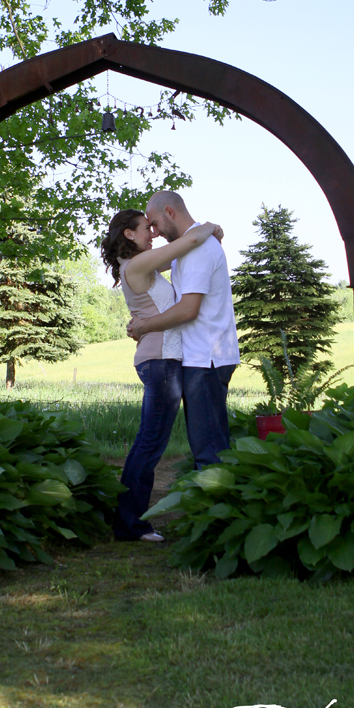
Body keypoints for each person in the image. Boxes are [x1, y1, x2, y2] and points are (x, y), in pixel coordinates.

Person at [101, 208, 223, 542]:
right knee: (149, 444)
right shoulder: (139, 264)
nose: (152, 233)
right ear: (129, 234)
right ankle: (131, 524)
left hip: (162, 360)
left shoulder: (142, 264)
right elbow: (191, 239)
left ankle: (129, 522)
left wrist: (198, 239)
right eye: (145, 228)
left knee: (148, 442)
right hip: (160, 362)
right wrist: (211, 226)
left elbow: (183, 252)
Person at [127, 191, 239, 468]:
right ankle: (217, 504)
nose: (153, 232)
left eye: (154, 223)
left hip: (206, 359)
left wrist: (144, 326)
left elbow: (189, 309)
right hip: (203, 358)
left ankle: (218, 508)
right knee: (209, 446)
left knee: (209, 451)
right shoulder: (188, 248)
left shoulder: (198, 250)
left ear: (170, 212)